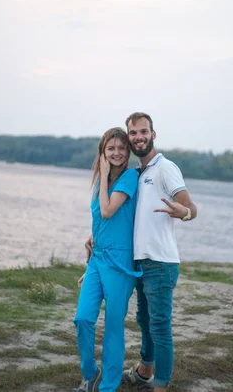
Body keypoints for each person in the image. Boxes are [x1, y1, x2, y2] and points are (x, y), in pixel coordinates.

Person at [85, 112, 197, 391]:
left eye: (143, 132)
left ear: (153, 134)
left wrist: (182, 212)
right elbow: (128, 216)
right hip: (139, 262)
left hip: (160, 262)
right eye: (133, 133)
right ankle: (144, 371)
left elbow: (191, 208)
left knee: (159, 327)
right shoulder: (139, 173)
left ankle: (161, 386)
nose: (138, 137)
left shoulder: (164, 168)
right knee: (144, 322)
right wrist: (95, 235)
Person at [73, 127, 141, 392]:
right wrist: (91, 242)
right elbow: (100, 220)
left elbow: (108, 210)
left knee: (113, 327)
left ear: (128, 152)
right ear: (103, 151)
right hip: (97, 259)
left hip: (121, 264)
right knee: (82, 318)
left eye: (121, 148)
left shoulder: (130, 177)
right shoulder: (100, 184)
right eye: (110, 148)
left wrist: (102, 175)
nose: (116, 153)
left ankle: (108, 387)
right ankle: (90, 372)